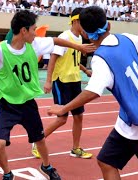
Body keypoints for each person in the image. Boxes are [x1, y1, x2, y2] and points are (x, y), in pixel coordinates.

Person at [47, 6, 138, 180]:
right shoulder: (125, 39)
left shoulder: (101, 58)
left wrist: (63, 109)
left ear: (85, 34)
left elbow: (92, 92)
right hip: (126, 123)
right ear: (108, 25)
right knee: (105, 161)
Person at [0, 10, 95, 180]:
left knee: (40, 139)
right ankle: (8, 174)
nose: (36, 34)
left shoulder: (34, 44)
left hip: (28, 104)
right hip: (6, 105)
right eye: (34, 29)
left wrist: (79, 47)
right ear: (23, 30)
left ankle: (46, 166)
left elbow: (56, 40)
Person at [31, 7, 93, 159]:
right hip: (62, 81)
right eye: (83, 21)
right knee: (62, 118)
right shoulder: (65, 36)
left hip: (75, 81)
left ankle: (76, 148)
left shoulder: (79, 39)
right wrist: (48, 81)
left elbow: (74, 59)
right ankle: (37, 141)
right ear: (76, 21)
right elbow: (53, 57)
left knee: (79, 117)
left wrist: (85, 71)